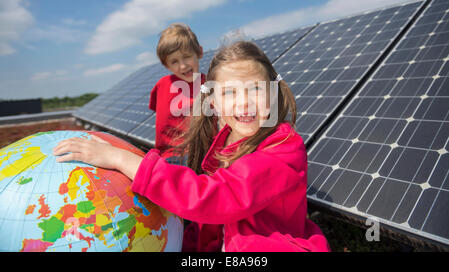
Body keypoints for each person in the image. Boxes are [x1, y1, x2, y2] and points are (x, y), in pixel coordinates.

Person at [53, 41, 330, 252]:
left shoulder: (282, 148)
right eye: (230, 92)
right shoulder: (226, 136)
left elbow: (217, 197)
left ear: (273, 93)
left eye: (255, 89)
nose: (244, 103)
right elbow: (209, 216)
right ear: (214, 102)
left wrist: (122, 160)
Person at [149, 23, 206, 159]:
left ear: (199, 52)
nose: (183, 65)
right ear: (166, 65)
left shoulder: (210, 85)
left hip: (199, 154)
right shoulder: (161, 85)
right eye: (174, 61)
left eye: (186, 56)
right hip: (167, 155)